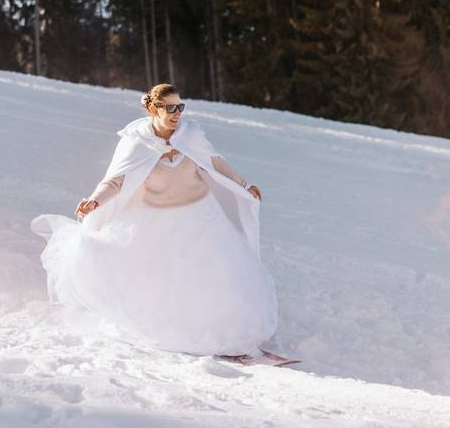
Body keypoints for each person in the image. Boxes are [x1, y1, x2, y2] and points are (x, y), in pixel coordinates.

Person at [30, 83, 278, 359]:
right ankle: (179, 330)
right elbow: (117, 180)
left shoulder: (191, 136)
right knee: (166, 280)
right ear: (153, 109)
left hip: (201, 218)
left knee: (215, 275)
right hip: (158, 221)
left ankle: (228, 331)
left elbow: (216, 163)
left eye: (180, 107)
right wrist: (95, 200)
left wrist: (245, 185)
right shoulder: (136, 143)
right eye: (170, 107)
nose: (177, 114)